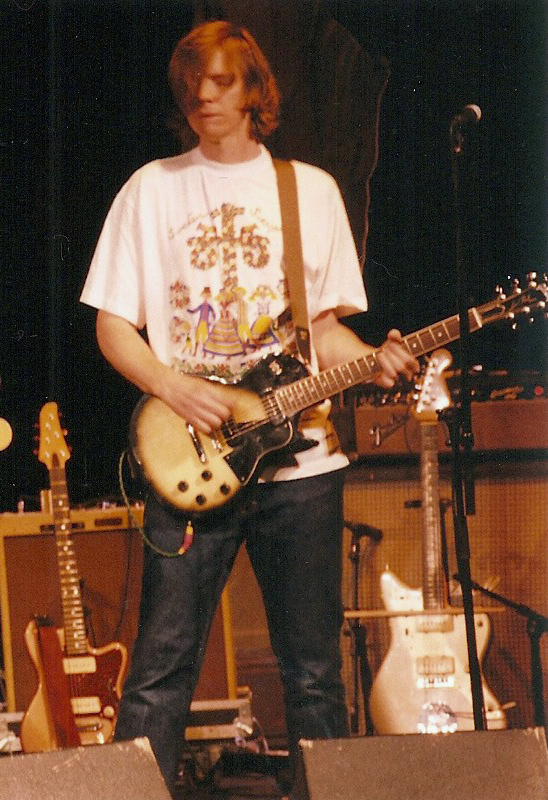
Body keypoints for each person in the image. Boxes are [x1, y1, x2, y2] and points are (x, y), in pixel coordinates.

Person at [79, 21, 417, 793]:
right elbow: (110, 323)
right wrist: (173, 387)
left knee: (310, 676)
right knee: (160, 669)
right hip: (188, 464)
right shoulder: (150, 188)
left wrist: (375, 363)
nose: (203, 94)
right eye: (192, 81)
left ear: (256, 90)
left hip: (300, 467)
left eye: (223, 80)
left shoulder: (310, 192)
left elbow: (323, 330)